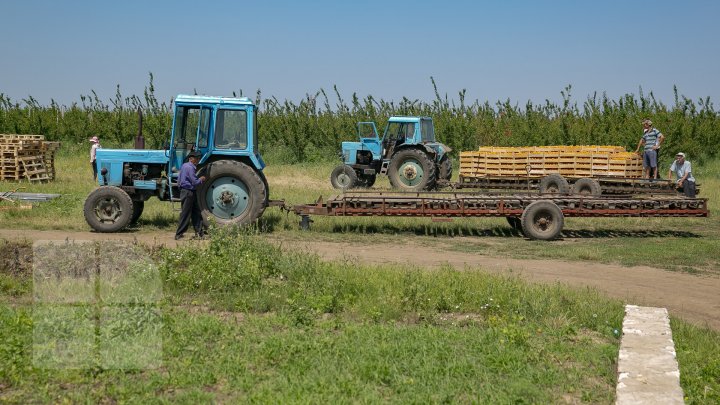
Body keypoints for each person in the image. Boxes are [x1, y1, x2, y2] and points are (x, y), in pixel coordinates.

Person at [175, 151, 207, 240]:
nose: (198, 160)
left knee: (196, 212)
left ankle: (199, 233)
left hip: (187, 191)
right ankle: (179, 234)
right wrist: (201, 179)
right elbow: (195, 182)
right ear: (191, 159)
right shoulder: (190, 168)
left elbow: (179, 180)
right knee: (186, 214)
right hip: (189, 192)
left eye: (198, 159)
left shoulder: (184, 166)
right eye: (196, 159)